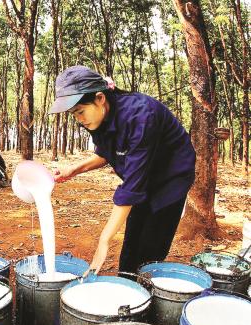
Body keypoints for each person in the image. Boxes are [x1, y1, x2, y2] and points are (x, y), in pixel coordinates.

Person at [50, 66, 196, 275]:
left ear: (100, 98)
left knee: (150, 246)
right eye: (74, 114)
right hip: (142, 176)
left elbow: (132, 187)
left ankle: (146, 290)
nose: (79, 119)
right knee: (132, 240)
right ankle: (127, 281)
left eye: (81, 111)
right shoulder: (99, 118)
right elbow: (108, 153)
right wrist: (74, 169)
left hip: (170, 178)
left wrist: (104, 241)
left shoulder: (141, 116)